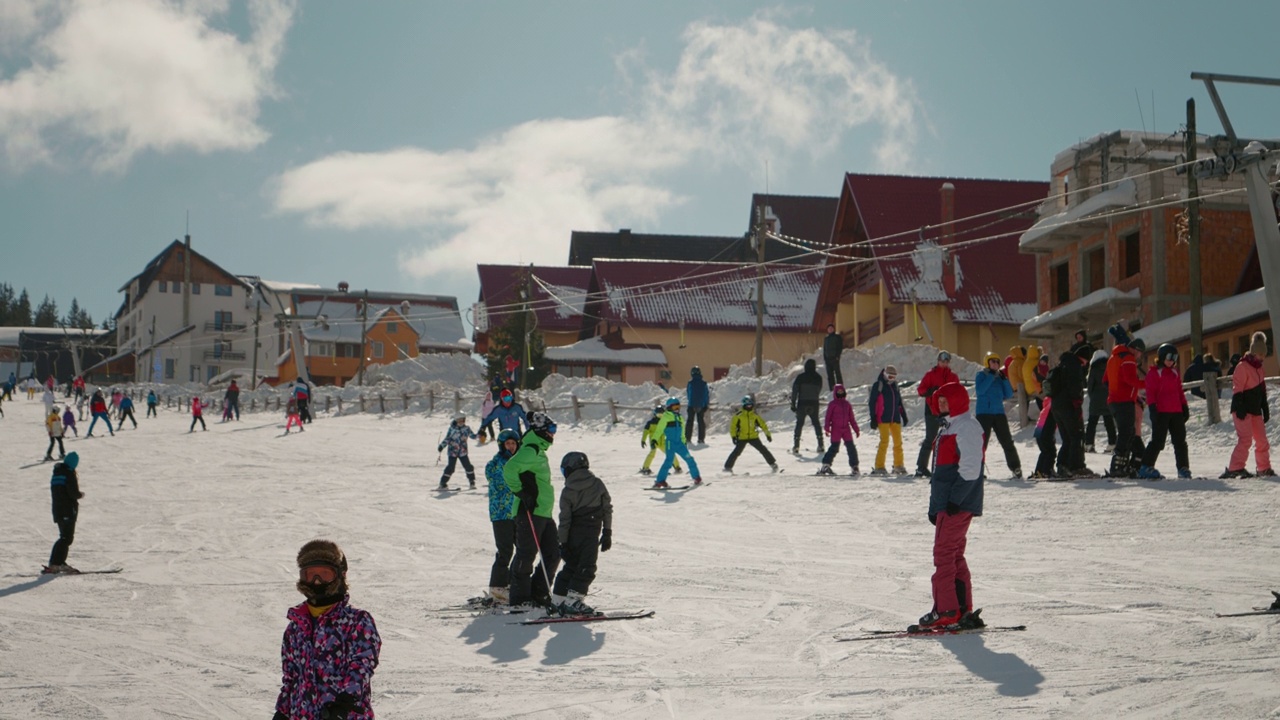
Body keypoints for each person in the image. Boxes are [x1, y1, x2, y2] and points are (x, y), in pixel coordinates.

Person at [274, 539, 380, 720]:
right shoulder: (295, 628)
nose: (317, 581)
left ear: (340, 576)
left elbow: (362, 665)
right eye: (311, 575)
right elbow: (291, 678)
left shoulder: (357, 621)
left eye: (325, 574)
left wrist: (345, 702)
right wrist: (283, 711)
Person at [913, 382, 985, 631]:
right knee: (953, 554)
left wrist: (956, 499)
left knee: (943, 554)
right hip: (948, 503)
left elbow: (971, 467)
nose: (942, 404)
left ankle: (947, 610)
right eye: (939, 401)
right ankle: (962, 608)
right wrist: (935, 507)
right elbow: (940, 473)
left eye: (946, 400)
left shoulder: (966, 427)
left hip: (958, 503)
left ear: (958, 400)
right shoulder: (948, 427)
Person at [504, 411, 561, 609]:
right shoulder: (531, 449)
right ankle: (520, 599)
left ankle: (538, 593)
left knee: (553, 553)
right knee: (526, 555)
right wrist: (521, 493)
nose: (553, 434)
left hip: (543, 511)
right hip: (529, 511)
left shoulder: (538, 450)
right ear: (541, 430)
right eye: (551, 429)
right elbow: (509, 470)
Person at [551, 451, 613, 616]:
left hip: (573, 534)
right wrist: (607, 531)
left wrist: (562, 543)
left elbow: (564, 519)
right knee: (587, 567)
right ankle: (573, 601)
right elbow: (607, 508)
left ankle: (558, 600)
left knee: (571, 565)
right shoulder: (598, 484)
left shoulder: (567, 491)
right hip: (591, 533)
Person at [1223, 332, 1273, 479]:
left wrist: (1265, 407)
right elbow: (1237, 389)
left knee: (1262, 440)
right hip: (1242, 409)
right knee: (1245, 439)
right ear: (1253, 352)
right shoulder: (1242, 367)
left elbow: (1262, 390)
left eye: (1264, 354)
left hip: (1255, 410)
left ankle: (1264, 468)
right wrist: (1239, 406)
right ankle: (1235, 467)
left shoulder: (1259, 369)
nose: (1262, 358)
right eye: (1259, 354)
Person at [1137, 344, 1191, 479]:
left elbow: (1179, 391)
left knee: (1180, 441)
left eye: (1175, 358)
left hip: (1176, 411)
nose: (1172, 361)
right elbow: (1151, 392)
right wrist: (1153, 408)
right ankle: (1146, 466)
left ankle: (1183, 468)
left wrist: (1184, 406)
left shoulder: (1174, 372)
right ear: (1161, 357)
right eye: (1169, 357)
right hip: (1161, 411)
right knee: (1158, 441)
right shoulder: (1154, 373)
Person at [481, 429, 521, 606]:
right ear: (501, 445)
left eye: (514, 444)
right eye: (508, 444)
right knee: (505, 551)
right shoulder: (495, 464)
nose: (511, 447)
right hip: (501, 514)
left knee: (522, 549)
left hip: (517, 512)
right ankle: (497, 588)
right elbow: (502, 483)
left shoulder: (519, 462)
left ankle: (512, 584)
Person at [974, 352, 1022, 479]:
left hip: (999, 413)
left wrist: (1004, 379)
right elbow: (980, 390)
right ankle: (977, 470)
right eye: (993, 361)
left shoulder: (999, 377)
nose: (995, 364)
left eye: (997, 362)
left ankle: (1015, 467)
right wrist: (990, 376)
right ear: (987, 363)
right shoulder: (981, 375)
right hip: (984, 413)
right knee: (981, 443)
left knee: (1007, 441)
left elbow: (1009, 394)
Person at [1044, 350, 1091, 477]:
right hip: (1068, 406)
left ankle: (1062, 465)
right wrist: (1077, 404)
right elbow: (1075, 387)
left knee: (1067, 438)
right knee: (1076, 436)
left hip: (1056, 406)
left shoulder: (1063, 364)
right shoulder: (1074, 365)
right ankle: (1076, 466)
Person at [1106, 337, 1146, 478]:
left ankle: (1123, 464)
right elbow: (1130, 380)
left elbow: (1105, 380)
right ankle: (1118, 466)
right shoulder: (1128, 358)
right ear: (1136, 350)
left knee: (1127, 432)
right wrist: (1146, 384)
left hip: (1113, 400)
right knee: (1126, 433)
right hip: (1124, 400)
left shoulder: (1113, 358)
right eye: (1140, 353)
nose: (1139, 356)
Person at [915, 351, 959, 478]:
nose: (944, 364)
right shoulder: (930, 374)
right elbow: (921, 390)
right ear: (938, 361)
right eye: (942, 361)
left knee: (951, 439)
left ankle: (951, 466)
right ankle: (921, 467)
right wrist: (930, 391)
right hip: (932, 410)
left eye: (946, 362)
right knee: (931, 438)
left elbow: (958, 391)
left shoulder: (953, 376)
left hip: (947, 411)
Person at [43, 452, 82, 574]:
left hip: (58, 510)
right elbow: (72, 493)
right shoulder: (68, 474)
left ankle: (57, 562)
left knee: (64, 537)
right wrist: (80, 495)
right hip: (67, 510)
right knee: (66, 538)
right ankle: (56, 563)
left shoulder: (57, 473)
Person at [867, 365, 909, 475]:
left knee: (898, 443)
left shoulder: (895, 386)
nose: (892, 380)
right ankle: (879, 466)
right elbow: (872, 403)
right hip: (883, 418)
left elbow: (899, 402)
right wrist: (873, 418)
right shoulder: (878, 385)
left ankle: (898, 465)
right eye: (890, 377)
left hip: (895, 418)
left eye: (894, 377)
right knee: (884, 442)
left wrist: (903, 415)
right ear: (885, 374)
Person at [652, 397, 703, 489]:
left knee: (689, 459)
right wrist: (654, 439)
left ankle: (696, 477)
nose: (677, 409)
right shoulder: (666, 417)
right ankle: (659, 481)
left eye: (678, 407)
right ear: (669, 407)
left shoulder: (680, 418)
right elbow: (659, 429)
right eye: (675, 407)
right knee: (668, 461)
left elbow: (682, 432)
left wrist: (684, 442)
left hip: (679, 444)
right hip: (670, 443)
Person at [724, 396, 778, 473]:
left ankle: (772, 464)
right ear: (744, 405)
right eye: (747, 405)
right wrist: (733, 436)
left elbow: (763, 425)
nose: (749, 406)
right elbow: (733, 427)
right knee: (736, 452)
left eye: (750, 405)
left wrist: (768, 435)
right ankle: (728, 467)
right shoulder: (738, 416)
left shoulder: (754, 415)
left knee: (763, 449)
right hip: (742, 437)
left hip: (753, 436)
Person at [818, 384, 860, 476]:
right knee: (834, 447)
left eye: (842, 392)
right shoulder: (832, 404)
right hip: (836, 429)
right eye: (838, 392)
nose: (840, 393)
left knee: (851, 448)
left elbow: (851, 418)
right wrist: (827, 428)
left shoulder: (847, 404)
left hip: (846, 429)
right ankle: (826, 465)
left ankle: (854, 466)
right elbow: (828, 417)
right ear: (835, 393)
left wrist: (856, 429)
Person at [1085, 349, 1116, 453]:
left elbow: (1090, 386)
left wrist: (1092, 396)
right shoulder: (1110, 368)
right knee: (1109, 422)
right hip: (1108, 398)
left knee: (1092, 423)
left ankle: (1089, 444)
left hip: (1096, 399)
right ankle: (1112, 443)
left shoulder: (1093, 369)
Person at [790, 358, 824, 455]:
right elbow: (819, 389)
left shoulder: (800, 377)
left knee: (799, 424)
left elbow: (795, 390)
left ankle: (796, 446)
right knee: (816, 423)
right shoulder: (818, 377)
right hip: (814, 403)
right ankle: (821, 445)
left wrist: (793, 403)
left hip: (802, 403)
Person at [438, 413, 479, 489]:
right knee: (450, 468)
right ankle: (443, 483)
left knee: (468, 466)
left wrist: (479, 434)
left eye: (462, 420)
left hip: (463, 452)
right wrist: (442, 445)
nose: (460, 422)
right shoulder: (452, 429)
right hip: (452, 452)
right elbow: (448, 438)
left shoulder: (467, 429)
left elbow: (473, 436)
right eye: (458, 420)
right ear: (455, 421)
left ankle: (472, 482)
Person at [639, 405, 682, 475]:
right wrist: (643, 440)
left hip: (662, 442)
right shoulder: (650, 423)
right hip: (654, 442)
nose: (660, 416)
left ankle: (677, 467)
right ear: (655, 414)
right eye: (658, 414)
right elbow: (646, 432)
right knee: (652, 453)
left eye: (661, 414)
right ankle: (645, 468)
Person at [684, 366, 709, 446]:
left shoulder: (690, 383)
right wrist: (705, 404)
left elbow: (688, 393)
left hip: (691, 404)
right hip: (701, 405)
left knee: (689, 422)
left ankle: (688, 438)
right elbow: (706, 395)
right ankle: (701, 439)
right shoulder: (703, 383)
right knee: (701, 422)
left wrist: (690, 401)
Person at [822, 323, 844, 389]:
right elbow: (824, 349)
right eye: (829, 329)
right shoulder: (826, 339)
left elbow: (840, 347)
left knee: (837, 373)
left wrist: (837, 356)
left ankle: (840, 387)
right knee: (830, 375)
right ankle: (831, 388)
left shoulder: (837, 337)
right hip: (828, 359)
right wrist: (825, 358)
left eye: (831, 328)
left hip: (835, 358)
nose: (830, 330)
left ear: (833, 329)